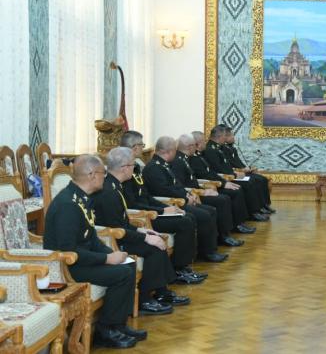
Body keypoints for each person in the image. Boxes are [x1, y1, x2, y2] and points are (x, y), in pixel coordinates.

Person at [43, 155, 143, 349]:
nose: (105, 177)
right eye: (103, 173)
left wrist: (111, 254)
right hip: (67, 266)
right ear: (92, 175)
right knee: (122, 274)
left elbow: (91, 238)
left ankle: (118, 324)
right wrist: (107, 259)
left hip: (82, 259)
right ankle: (106, 331)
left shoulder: (81, 198)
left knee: (128, 265)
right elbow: (68, 251)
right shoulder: (68, 205)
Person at [91, 147, 190, 314]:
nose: (134, 168)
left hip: (121, 233)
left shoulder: (114, 186)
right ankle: (144, 300)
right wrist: (145, 238)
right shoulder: (109, 192)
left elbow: (122, 221)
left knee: (157, 241)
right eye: (132, 165)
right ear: (124, 168)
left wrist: (142, 231)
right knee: (153, 248)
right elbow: (116, 228)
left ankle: (161, 292)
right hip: (111, 240)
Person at [120, 131, 210, 277]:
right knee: (185, 221)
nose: (143, 148)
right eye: (142, 145)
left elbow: (147, 197)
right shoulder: (125, 174)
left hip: (151, 210)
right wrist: (161, 211)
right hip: (144, 217)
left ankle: (184, 265)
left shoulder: (135, 169)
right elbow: (133, 204)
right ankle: (180, 269)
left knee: (187, 217)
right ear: (135, 147)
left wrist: (166, 208)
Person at [142, 136, 230, 262]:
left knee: (210, 210)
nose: (176, 152)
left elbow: (178, 185)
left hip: (179, 199)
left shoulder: (163, 164)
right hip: (170, 203)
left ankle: (209, 250)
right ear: (169, 151)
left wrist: (188, 194)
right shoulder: (153, 168)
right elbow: (164, 190)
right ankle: (205, 253)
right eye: (175, 150)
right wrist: (185, 198)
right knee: (203, 215)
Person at [174, 134, 255, 236]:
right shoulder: (180, 161)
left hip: (199, 189)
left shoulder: (187, 158)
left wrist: (221, 183)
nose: (199, 145)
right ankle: (224, 234)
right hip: (194, 194)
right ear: (190, 146)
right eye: (195, 144)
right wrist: (202, 191)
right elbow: (182, 184)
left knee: (229, 195)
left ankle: (235, 226)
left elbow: (205, 175)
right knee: (223, 200)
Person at [201, 126, 269, 221]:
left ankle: (258, 208)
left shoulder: (218, 148)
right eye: (225, 136)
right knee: (248, 183)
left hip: (231, 175)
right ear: (219, 136)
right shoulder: (211, 150)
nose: (225, 138)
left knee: (255, 180)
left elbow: (226, 166)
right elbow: (218, 169)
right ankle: (252, 213)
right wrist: (235, 174)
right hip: (225, 178)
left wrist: (238, 172)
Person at [219, 125, 275, 214]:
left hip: (242, 171)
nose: (233, 137)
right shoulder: (224, 150)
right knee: (254, 181)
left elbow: (239, 163)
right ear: (225, 137)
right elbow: (230, 166)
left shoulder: (232, 148)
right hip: (235, 173)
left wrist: (248, 169)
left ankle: (264, 204)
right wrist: (243, 170)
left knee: (263, 179)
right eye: (231, 135)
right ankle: (255, 210)